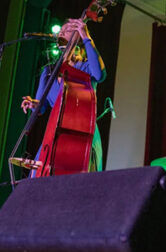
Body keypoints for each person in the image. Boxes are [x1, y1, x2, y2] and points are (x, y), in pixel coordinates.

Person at [21, 18, 106, 172]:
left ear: (78, 35)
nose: (61, 31)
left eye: (67, 29)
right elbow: (40, 108)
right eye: (61, 29)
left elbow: (100, 75)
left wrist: (87, 37)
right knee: (38, 175)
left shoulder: (85, 67)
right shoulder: (48, 72)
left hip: (82, 132)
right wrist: (33, 104)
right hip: (55, 134)